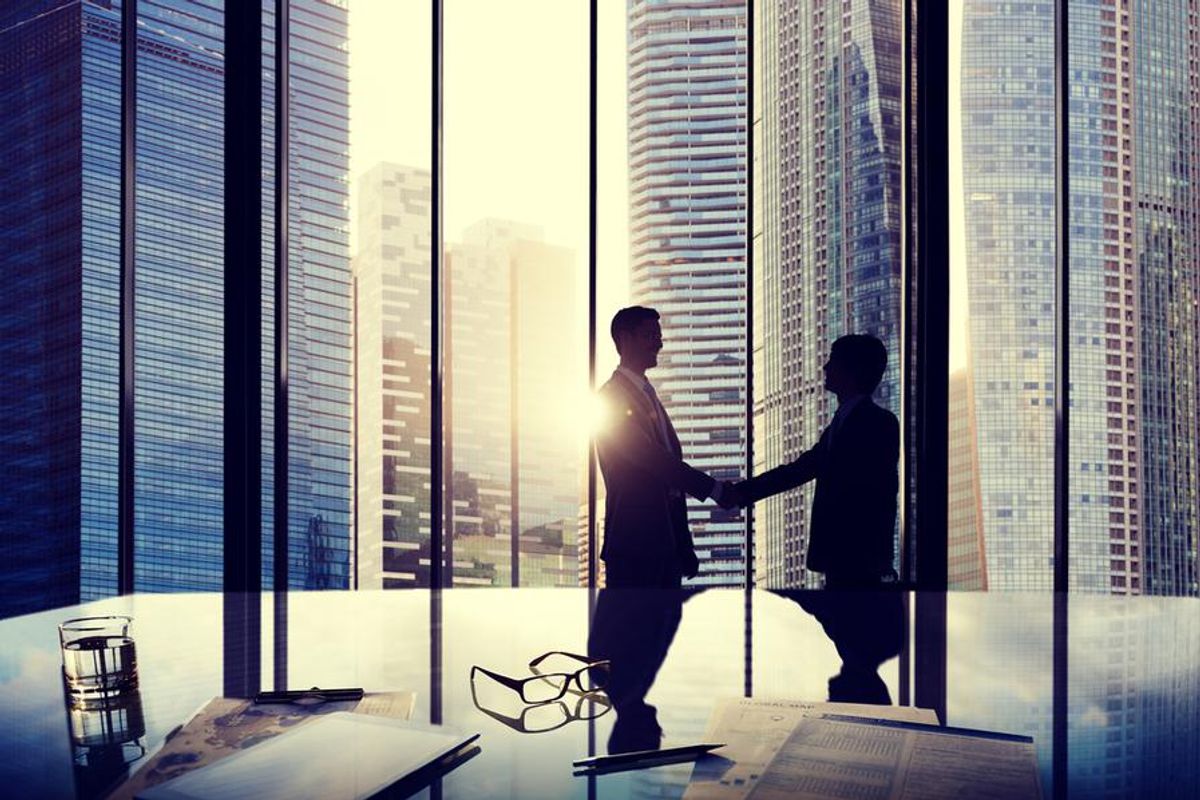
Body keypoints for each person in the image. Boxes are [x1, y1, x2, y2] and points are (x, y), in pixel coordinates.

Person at [588, 305, 731, 753]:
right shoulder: (611, 398)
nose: (660, 342)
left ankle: (629, 698)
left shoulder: (645, 395)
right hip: (636, 543)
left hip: (660, 545)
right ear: (625, 338)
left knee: (657, 624)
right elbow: (651, 462)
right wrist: (712, 488)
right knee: (632, 631)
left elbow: (664, 482)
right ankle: (623, 698)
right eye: (652, 334)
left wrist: (682, 546)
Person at [731, 334, 899, 588]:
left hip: (858, 559)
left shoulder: (878, 422)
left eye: (833, 361)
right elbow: (801, 469)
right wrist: (742, 492)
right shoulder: (840, 425)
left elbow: (877, 494)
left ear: (852, 370)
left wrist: (736, 493)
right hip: (845, 559)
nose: (825, 367)